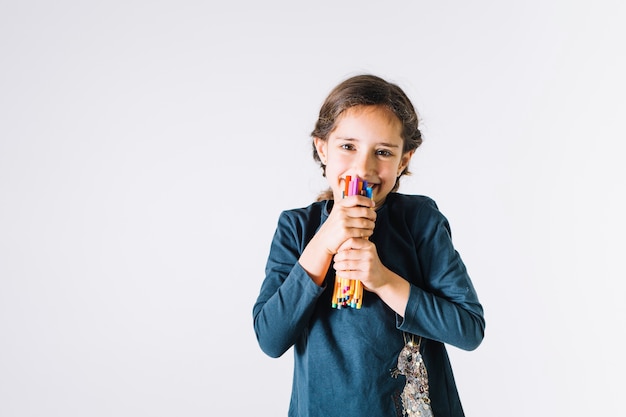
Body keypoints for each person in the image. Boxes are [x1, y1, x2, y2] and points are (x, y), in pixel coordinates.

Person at [252, 74, 485, 417]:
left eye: (383, 152)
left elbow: (469, 329)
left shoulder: (421, 221)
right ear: (322, 148)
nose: (364, 166)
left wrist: (383, 280)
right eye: (348, 146)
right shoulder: (296, 227)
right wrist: (324, 241)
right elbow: (270, 339)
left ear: (404, 159)